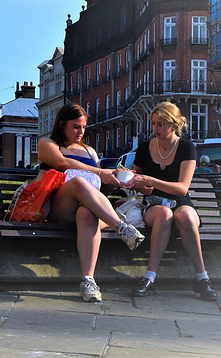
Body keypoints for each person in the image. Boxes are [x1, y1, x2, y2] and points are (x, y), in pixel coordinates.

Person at [37, 103, 145, 302]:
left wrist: (120, 181)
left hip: (84, 211)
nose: (81, 132)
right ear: (62, 125)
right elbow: (62, 163)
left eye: (84, 127)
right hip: (60, 207)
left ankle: (89, 281)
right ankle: (122, 227)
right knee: (78, 181)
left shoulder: (90, 152)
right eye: (75, 126)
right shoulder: (48, 144)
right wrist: (99, 172)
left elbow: (98, 188)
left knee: (87, 213)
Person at [122, 102, 217, 300]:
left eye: (162, 124)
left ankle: (202, 278)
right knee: (164, 214)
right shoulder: (143, 148)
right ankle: (150, 277)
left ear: (174, 125)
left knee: (187, 218)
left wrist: (151, 180)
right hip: (154, 205)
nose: (156, 129)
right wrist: (138, 184)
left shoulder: (186, 148)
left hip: (180, 201)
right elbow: (135, 181)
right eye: (154, 123)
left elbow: (182, 188)